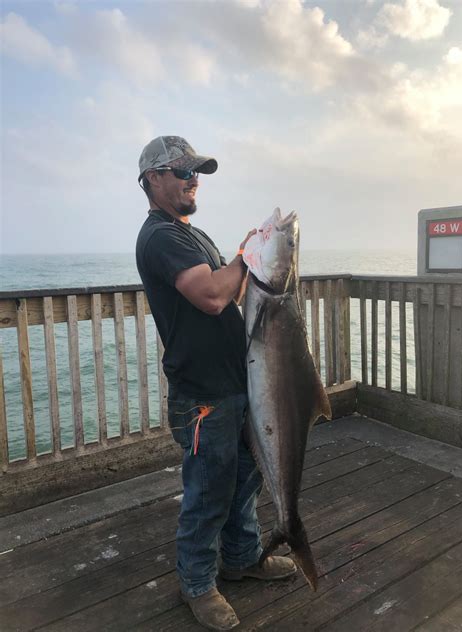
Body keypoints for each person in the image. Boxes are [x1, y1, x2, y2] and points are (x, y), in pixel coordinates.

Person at [135, 136, 296, 631]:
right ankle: (198, 584)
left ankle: (242, 557)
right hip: (203, 395)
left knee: (243, 480)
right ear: (153, 179)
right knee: (208, 491)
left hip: (234, 385)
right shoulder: (161, 236)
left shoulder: (191, 233)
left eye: (196, 172)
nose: (192, 179)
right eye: (182, 172)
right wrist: (248, 258)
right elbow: (209, 295)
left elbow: (233, 288)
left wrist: (258, 263)